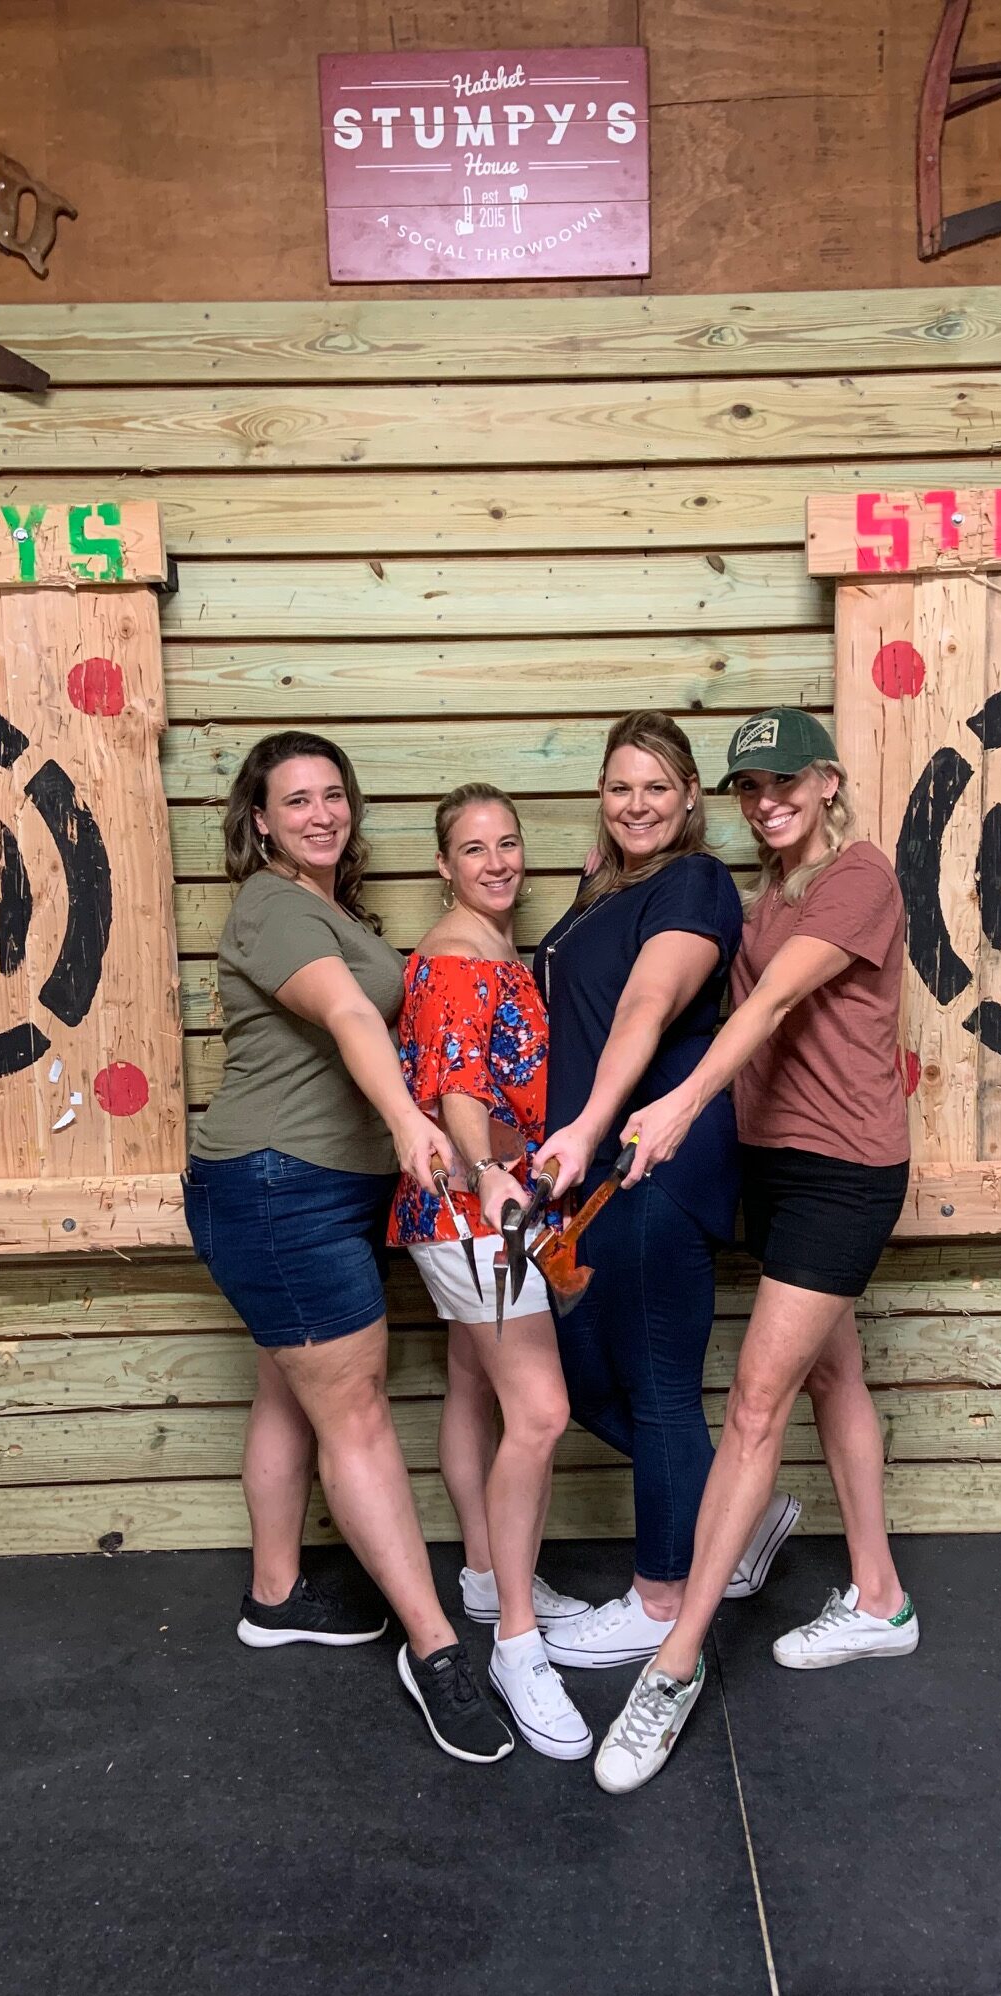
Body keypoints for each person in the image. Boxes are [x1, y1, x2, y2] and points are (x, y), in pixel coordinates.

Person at [591, 708, 918, 1794]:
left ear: (826, 780)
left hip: (844, 1171)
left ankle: (673, 1666)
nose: (767, 799)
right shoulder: (767, 889)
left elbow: (776, 999)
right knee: (835, 1376)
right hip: (779, 1164)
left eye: (785, 781)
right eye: (749, 787)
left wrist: (681, 1103)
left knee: (754, 1406)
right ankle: (880, 1599)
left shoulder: (858, 876)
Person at [182, 729, 514, 1766]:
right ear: (262, 820)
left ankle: (276, 1594)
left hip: (311, 1188)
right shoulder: (276, 908)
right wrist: (413, 1125)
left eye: (334, 796)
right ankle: (437, 1648)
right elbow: (351, 1022)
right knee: (357, 1410)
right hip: (279, 1188)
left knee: (293, 1389)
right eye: (297, 800)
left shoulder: (330, 909)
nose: (321, 813)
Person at [531, 711, 800, 1673]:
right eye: (618, 786)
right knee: (578, 1378)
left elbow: (645, 1007)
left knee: (654, 1384)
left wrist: (587, 1128)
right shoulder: (598, 889)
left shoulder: (694, 881)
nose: (636, 803)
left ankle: (660, 1598)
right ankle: (744, 1509)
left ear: (690, 799)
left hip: (653, 1156)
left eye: (656, 786)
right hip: (589, 1169)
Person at [389, 783, 593, 1761]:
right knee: (541, 1412)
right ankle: (516, 1641)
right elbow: (463, 1088)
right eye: (475, 849)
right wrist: (489, 1178)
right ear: (444, 865)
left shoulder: (491, 944)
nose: (498, 861)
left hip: (469, 1210)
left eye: (508, 842)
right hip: (478, 1213)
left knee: (474, 1381)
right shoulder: (462, 958)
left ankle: (482, 1573)